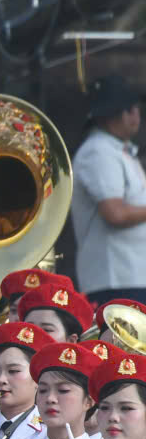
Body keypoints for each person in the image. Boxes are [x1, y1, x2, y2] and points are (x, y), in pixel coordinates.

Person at [72, 75, 146, 306]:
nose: (137, 116)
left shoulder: (118, 151)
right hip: (116, 279)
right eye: (131, 109)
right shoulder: (99, 152)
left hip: (131, 276)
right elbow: (115, 213)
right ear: (114, 114)